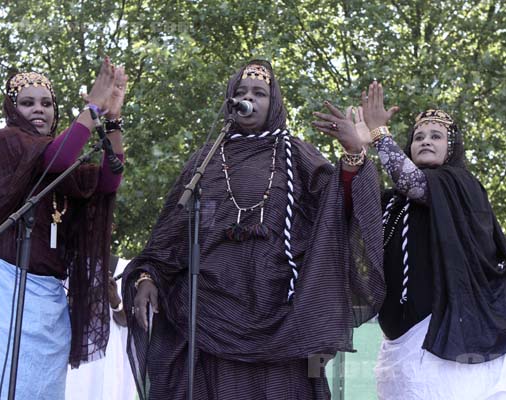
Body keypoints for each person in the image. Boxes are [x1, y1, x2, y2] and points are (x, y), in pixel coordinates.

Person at [122, 60, 386, 399]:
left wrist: (353, 154)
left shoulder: (297, 155)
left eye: (259, 93)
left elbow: (339, 212)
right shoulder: (207, 158)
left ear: (274, 103)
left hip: (278, 318)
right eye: (240, 92)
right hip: (208, 314)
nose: (248, 98)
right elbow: (172, 234)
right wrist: (147, 276)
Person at [315, 81, 506, 399]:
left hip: (452, 342)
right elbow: (354, 210)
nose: (425, 141)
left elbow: (413, 182)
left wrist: (379, 133)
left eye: (436, 136)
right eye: (418, 137)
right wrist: (355, 152)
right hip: (399, 344)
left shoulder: (461, 185)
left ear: (452, 147)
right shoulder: (394, 200)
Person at [0, 58, 127, 399]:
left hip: (45, 305)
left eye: (46, 103)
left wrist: (112, 121)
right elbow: (58, 157)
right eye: (27, 103)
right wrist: (91, 107)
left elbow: (107, 182)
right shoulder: (4, 143)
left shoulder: (64, 165)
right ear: (12, 109)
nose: (38, 110)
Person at [65, 256, 138, 400]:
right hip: (75, 353)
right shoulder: (66, 265)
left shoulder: (126, 268)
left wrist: (115, 300)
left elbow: (127, 321)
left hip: (108, 353)